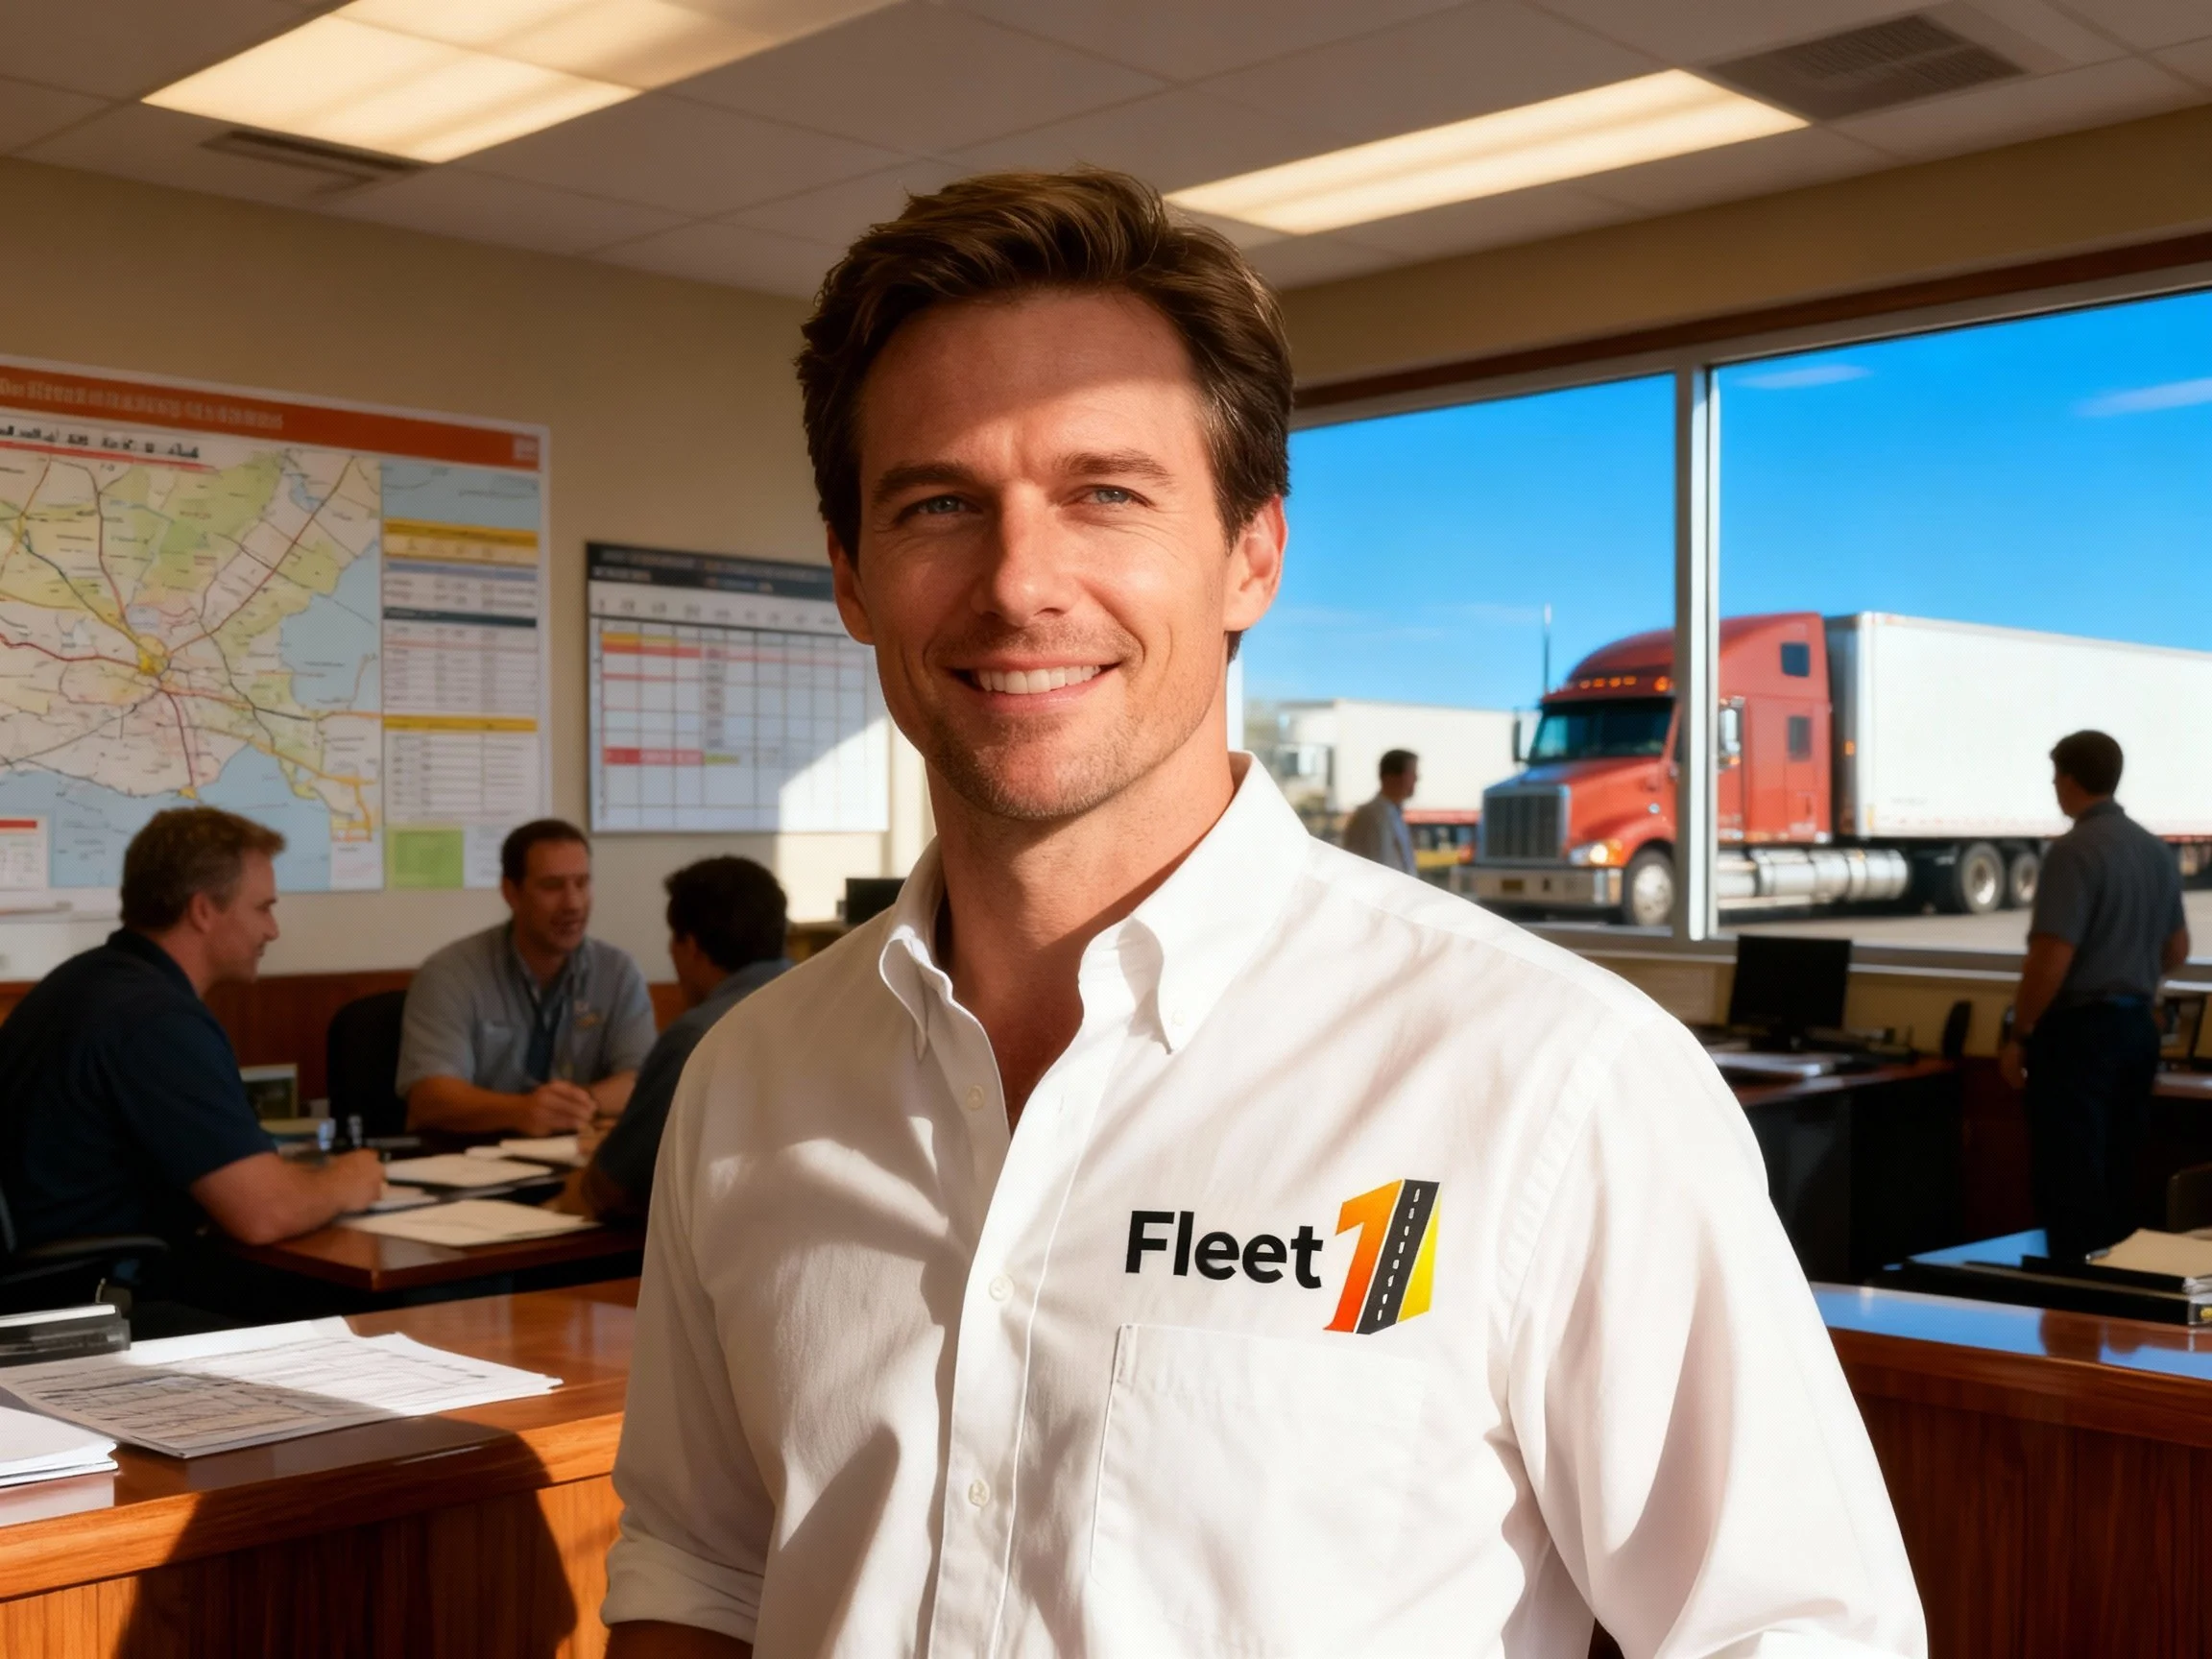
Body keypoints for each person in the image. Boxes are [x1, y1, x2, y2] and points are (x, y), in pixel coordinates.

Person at [603, 171, 1921, 1658]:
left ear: (1253, 554)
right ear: (851, 574)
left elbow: (1798, 1630)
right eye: (937, 504)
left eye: (1106, 491)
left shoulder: (1554, 1085)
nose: (1022, 582)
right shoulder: (751, 1084)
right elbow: (701, 1566)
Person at [0, 808, 385, 1253]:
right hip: (117, 1297)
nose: (273, 931)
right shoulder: (157, 1022)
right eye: (263, 908)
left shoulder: (82, 981)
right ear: (203, 910)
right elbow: (265, 1213)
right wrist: (346, 1180)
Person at [2001, 731, 2190, 1262]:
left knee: (2071, 1183)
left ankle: (2071, 1312)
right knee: (2120, 1173)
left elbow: (2052, 957)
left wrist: (2021, 1032)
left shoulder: (2072, 852)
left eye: (2055, 775)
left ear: (2068, 779)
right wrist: (2131, 968)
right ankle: (2115, 1309)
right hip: (2136, 1032)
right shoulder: (2154, 850)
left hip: (2078, 1037)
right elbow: (2178, 947)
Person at [397, 819, 657, 1137]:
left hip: (580, 1161)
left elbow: (644, 1079)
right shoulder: (450, 974)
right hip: (475, 1164)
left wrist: (581, 1103)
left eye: (582, 883)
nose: (573, 903)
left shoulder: (617, 972)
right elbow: (430, 1097)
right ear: (512, 893)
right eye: (552, 886)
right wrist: (522, 1112)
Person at [579, 857, 792, 1221]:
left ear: (690, 946)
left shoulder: (697, 1036)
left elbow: (610, 1190)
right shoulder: (826, 1008)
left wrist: (578, 1185)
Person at [1340, 747, 1419, 874]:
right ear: (1391, 777)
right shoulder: (1371, 817)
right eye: (1411, 773)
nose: (1416, 778)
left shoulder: (1392, 814)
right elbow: (1378, 869)